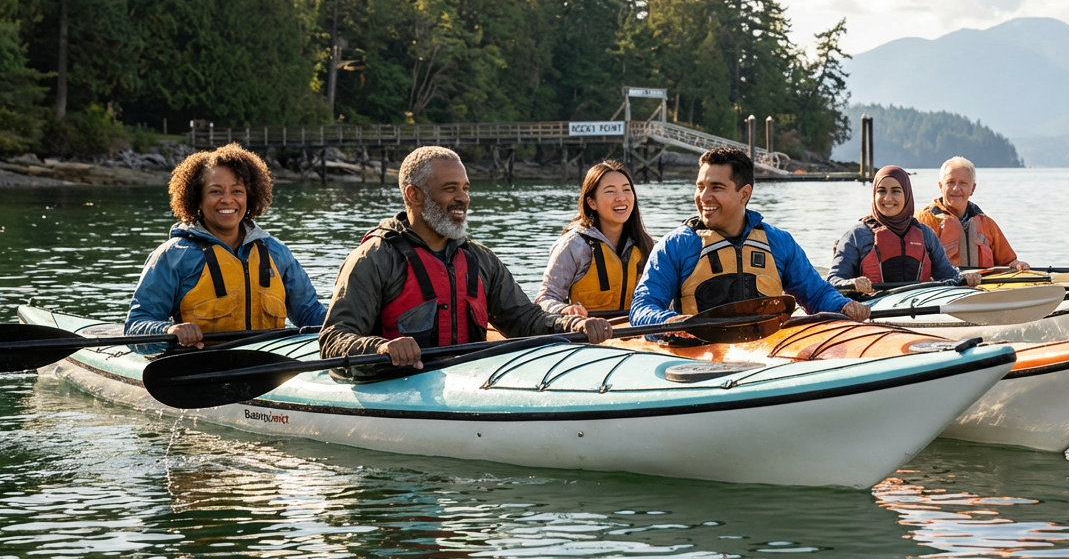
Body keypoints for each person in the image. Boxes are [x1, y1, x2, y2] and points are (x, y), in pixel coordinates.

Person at [319, 146, 612, 372]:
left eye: (465, 188)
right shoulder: (375, 257)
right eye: (450, 189)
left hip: (469, 382)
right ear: (414, 195)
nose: (464, 198)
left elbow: (525, 320)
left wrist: (571, 326)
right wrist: (381, 348)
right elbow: (334, 339)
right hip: (396, 383)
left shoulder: (480, 258)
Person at [630, 147, 870, 326]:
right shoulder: (675, 245)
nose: (703, 197)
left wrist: (843, 305)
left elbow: (817, 294)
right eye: (700, 186)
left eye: (716, 187)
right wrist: (669, 322)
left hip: (769, 351)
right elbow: (642, 307)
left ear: (744, 194)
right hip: (700, 354)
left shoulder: (779, 241)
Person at [125, 143, 327, 348]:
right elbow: (135, 327)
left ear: (249, 196)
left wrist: (351, 322)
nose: (227, 200)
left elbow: (310, 313)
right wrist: (169, 330)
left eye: (237, 191)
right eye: (215, 191)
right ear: (197, 199)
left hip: (270, 366)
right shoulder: (173, 256)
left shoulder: (276, 252)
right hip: (200, 368)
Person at [828, 165, 981, 292]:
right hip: (872, 307)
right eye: (881, 191)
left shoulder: (925, 234)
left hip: (921, 305)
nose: (888, 198)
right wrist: (852, 283)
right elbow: (833, 280)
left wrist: (965, 278)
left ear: (906, 195)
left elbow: (947, 275)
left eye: (896, 191)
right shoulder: (857, 235)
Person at [536, 160, 653, 315]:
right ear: (591, 202)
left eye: (626, 189)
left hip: (636, 333)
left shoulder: (647, 245)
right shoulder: (573, 245)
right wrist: (564, 309)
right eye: (610, 191)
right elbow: (545, 298)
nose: (621, 198)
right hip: (586, 333)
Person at [915, 157, 1030, 271]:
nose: (956, 188)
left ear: (973, 189)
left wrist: (1017, 264)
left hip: (984, 287)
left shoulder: (987, 224)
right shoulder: (922, 221)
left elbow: (1007, 262)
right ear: (941, 186)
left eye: (963, 183)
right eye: (950, 182)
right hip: (943, 287)